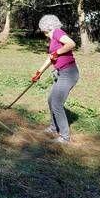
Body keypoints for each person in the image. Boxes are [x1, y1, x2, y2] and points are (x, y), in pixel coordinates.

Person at [31, 15, 79, 144]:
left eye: (44, 30)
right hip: (60, 73)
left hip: (68, 73)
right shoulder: (53, 39)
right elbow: (51, 57)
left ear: (47, 27)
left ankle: (64, 137)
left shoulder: (57, 32)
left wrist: (58, 53)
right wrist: (39, 72)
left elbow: (71, 44)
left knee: (57, 104)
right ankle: (53, 128)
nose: (44, 33)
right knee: (51, 100)